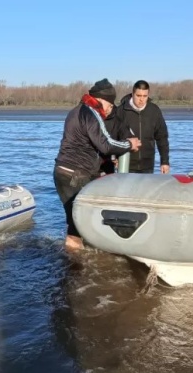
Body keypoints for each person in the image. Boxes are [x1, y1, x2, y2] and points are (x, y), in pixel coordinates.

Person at [54, 78, 141, 250]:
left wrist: (106, 159)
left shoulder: (75, 111)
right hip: (76, 174)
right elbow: (106, 144)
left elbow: (86, 145)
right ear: (101, 99)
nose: (109, 109)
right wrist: (129, 144)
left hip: (62, 172)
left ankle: (73, 256)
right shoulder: (91, 113)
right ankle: (76, 260)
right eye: (110, 105)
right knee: (78, 224)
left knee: (75, 221)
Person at [115, 80, 170, 174]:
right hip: (125, 163)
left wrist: (164, 161)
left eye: (145, 96)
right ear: (133, 94)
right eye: (138, 95)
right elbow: (113, 136)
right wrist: (114, 157)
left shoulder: (154, 111)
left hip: (147, 164)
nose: (141, 99)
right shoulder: (121, 111)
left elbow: (162, 137)